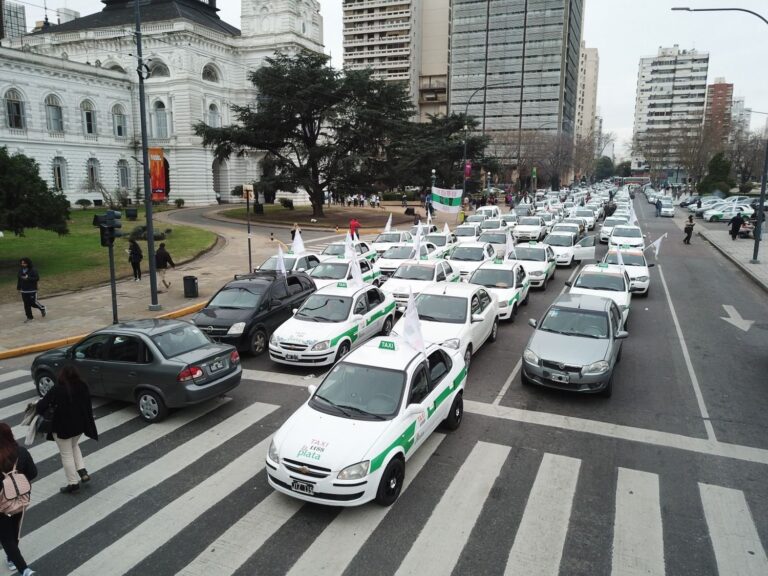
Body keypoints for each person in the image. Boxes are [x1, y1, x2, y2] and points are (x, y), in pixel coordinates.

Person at [36, 366, 97, 494]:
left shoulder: (58, 389)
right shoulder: (83, 386)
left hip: (62, 429)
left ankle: (72, 483)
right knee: (74, 445)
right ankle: (82, 471)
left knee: (66, 454)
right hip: (80, 426)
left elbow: (41, 407)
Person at [0, 423, 37, 576]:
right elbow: (33, 473)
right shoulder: (21, 452)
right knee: (14, 530)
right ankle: (11, 558)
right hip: (20, 499)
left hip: (1, 504)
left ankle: (25, 570)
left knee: (6, 537)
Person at [17, 258, 46, 323]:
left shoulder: (33, 270)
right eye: (22, 263)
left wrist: (28, 278)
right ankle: (29, 317)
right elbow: (19, 279)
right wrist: (18, 288)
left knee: (32, 303)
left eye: (24, 263)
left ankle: (42, 308)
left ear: (28, 263)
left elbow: (37, 278)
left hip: (32, 290)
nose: (22, 264)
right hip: (24, 290)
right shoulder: (20, 270)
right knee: (26, 304)